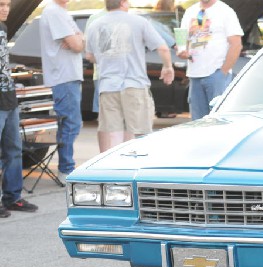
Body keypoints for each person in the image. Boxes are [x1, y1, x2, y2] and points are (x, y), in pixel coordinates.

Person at [85, 0, 175, 153]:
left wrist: (106, 59)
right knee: (141, 133)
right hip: (135, 84)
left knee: (112, 133)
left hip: (108, 86)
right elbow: (162, 47)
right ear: (123, 3)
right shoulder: (139, 21)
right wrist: (168, 67)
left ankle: (114, 170)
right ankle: (136, 169)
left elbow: (89, 56)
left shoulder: (95, 25)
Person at [39, 0, 84, 185]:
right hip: (63, 77)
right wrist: (77, 38)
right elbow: (78, 45)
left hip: (69, 76)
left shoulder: (62, 11)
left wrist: (78, 37)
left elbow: (79, 40)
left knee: (72, 123)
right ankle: (66, 169)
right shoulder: (54, 12)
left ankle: (66, 167)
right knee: (70, 123)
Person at [0, 0, 38, 217]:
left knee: (14, 150)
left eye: (7, 5)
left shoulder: (4, 28)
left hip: (9, 100)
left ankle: (13, 197)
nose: (5, 9)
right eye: (1, 5)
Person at [177, 0, 243, 120]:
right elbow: (182, 40)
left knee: (218, 120)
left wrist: (223, 71)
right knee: (198, 122)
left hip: (216, 74)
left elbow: (236, 44)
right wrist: (182, 51)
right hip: (194, 75)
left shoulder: (225, 11)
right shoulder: (190, 11)